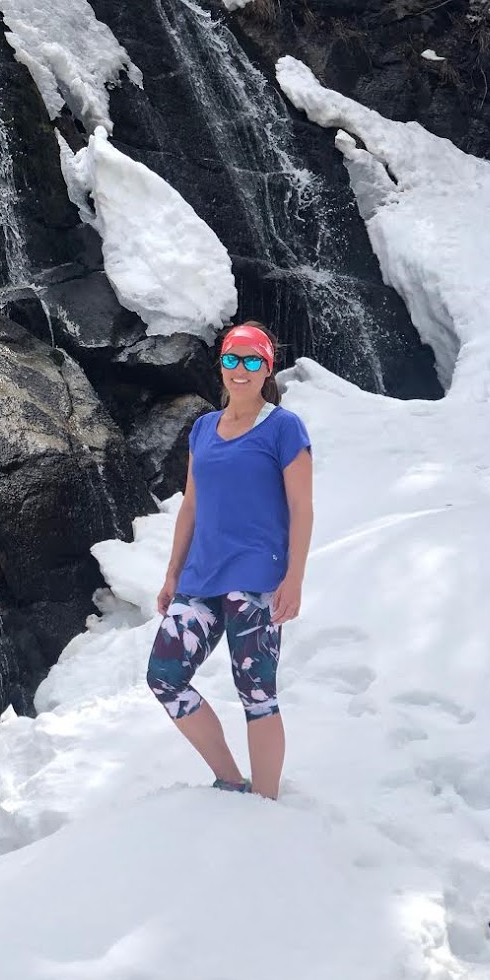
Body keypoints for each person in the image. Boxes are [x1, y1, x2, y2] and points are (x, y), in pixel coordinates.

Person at [145, 321, 313, 799]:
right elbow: (192, 507)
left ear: (267, 368)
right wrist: (172, 573)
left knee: (256, 694)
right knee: (165, 677)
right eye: (232, 359)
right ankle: (230, 781)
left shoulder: (283, 427)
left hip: (256, 579)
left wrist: (294, 578)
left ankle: (266, 802)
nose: (240, 370)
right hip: (200, 578)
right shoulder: (202, 428)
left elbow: (302, 506)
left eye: (251, 360)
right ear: (221, 364)